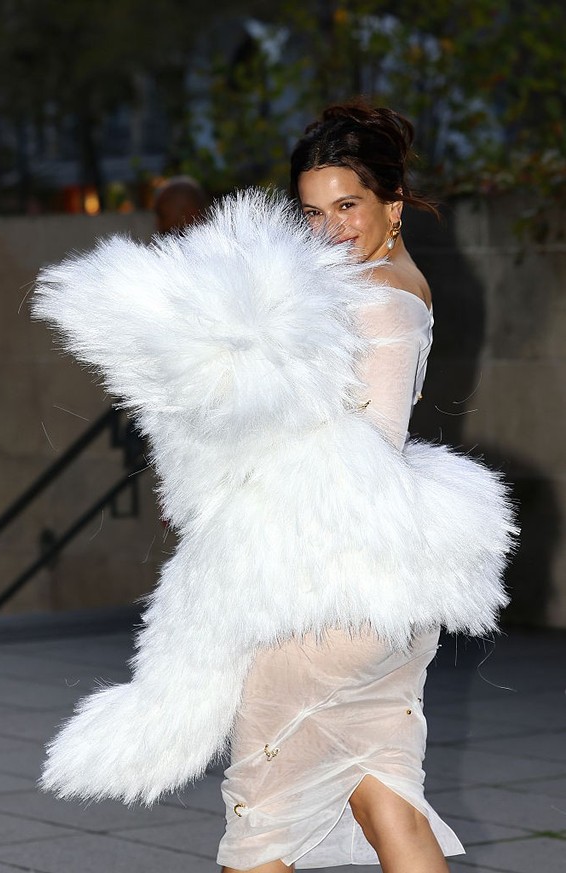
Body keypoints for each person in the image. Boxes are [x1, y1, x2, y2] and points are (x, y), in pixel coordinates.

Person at [32, 105, 514, 873]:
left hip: (322, 601)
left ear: (392, 204)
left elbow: (358, 456)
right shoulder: (401, 284)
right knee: (384, 792)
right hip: (383, 601)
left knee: (260, 824)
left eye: (348, 207)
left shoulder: (377, 300)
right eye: (312, 213)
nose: (328, 231)